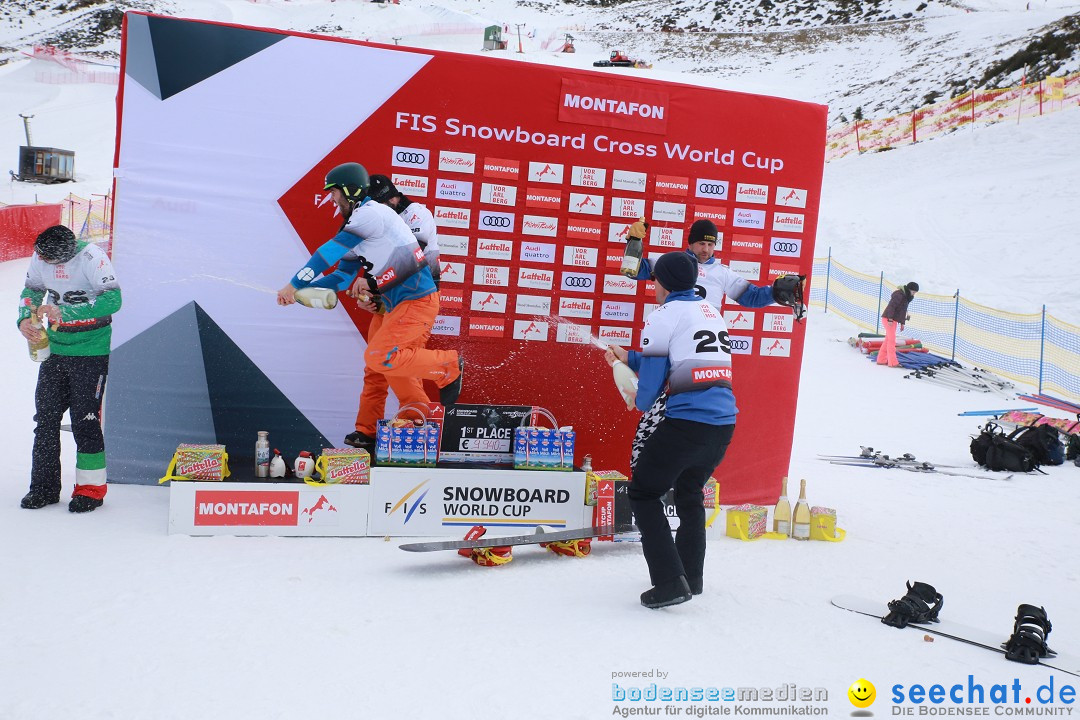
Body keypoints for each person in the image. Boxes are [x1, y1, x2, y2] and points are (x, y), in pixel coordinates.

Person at [277, 162, 463, 451]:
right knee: (380, 363)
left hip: (416, 302)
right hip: (398, 305)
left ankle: (447, 365)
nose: (332, 199)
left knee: (381, 356)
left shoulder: (369, 214)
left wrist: (294, 283)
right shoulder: (358, 224)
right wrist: (302, 293)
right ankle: (406, 422)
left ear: (350, 190)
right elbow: (340, 277)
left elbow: (326, 255)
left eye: (335, 192)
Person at [605, 252, 737, 609]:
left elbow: (648, 391)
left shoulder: (663, 315)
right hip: (723, 424)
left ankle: (668, 582)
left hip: (687, 423)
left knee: (644, 493)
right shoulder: (710, 311)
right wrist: (626, 357)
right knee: (690, 493)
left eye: (654, 280)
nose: (652, 286)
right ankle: (690, 578)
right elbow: (676, 358)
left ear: (660, 282)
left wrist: (633, 395)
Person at [627, 218, 804, 470]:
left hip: (699, 351)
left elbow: (751, 297)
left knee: (680, 416)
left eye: (711, 245)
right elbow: (635, 270)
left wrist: (775, 292)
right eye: (701, 243)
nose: (706, 250)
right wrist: (634, 242)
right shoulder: (674, 263)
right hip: (675, 343)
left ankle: (667, 477)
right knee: (660, 420)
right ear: (690, 243)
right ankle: (655, 475)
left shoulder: (722, 273)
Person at [17, 226, 122, 513]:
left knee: (84, 422)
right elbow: (32, 291)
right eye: (43, 258)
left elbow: (113, 300)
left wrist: (68, 311)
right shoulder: (41, 256)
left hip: (91, 349)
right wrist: (26, 317)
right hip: (56, 349)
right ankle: (44, 488)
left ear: (66, 254)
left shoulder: (92, 257)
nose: (45, 264)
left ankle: (91, 490)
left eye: (52, 261)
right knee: (46, 420)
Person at [878, 281, 919, 368]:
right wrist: (889, 318)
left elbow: (902, 311)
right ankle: (893, 362)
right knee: (892, 340)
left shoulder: (906, 297)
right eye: (913, 292)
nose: (914, 294)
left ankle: (881, 359)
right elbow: (891, 306)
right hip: (888, 319)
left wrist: (902, 323)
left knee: (888, 340)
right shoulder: (899, 295)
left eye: (915, 293)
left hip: (894, 320)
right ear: (909, 289)